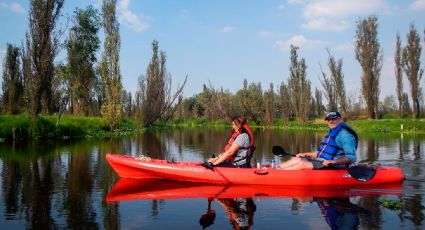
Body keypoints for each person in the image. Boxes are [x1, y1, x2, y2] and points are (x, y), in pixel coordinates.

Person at [278, 111, 358, 170]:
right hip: (322, 162)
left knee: (302, 164)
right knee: (296, 159)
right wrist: (304, 154)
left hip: (334, 165)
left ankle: (278, 176)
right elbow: (320, 153)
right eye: (328, 119)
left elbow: (351, 158)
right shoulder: (331, 133)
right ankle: (276, 169)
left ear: (340, 120)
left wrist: (332, 162)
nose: (331, 121)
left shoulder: (345, 136)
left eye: (334, 119)